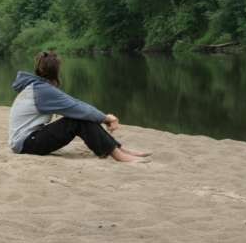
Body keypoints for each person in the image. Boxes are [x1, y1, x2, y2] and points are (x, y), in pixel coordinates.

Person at [9, 52, 151, 162]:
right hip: (25, 144)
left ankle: (119, 149)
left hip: (27, 140)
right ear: (57, 72)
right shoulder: (42, 90)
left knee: (79, 116)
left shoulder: (39, 87)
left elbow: (75, 104)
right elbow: (77, 107)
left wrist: (103, 118)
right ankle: (118, 155)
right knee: (77, 119)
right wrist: (106, 118)